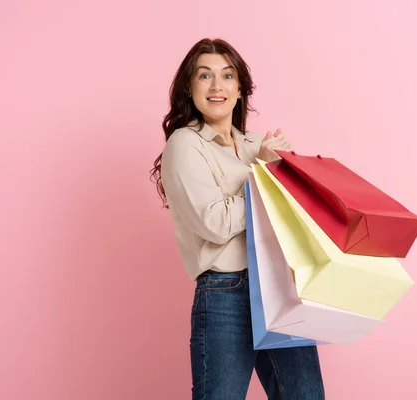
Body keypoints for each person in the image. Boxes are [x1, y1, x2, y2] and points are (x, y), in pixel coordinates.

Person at [150, 38, 326, 399]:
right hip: (225, 291)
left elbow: (290, 214)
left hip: (279, 286)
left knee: (306, 395)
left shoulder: (254, 143)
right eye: (205, 76)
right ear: (189, 87)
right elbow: (216, 224)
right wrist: (265, 171)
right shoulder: (185, 144)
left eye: (227, 76)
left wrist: (291, 172)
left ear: (241, 88)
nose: (217, 86)